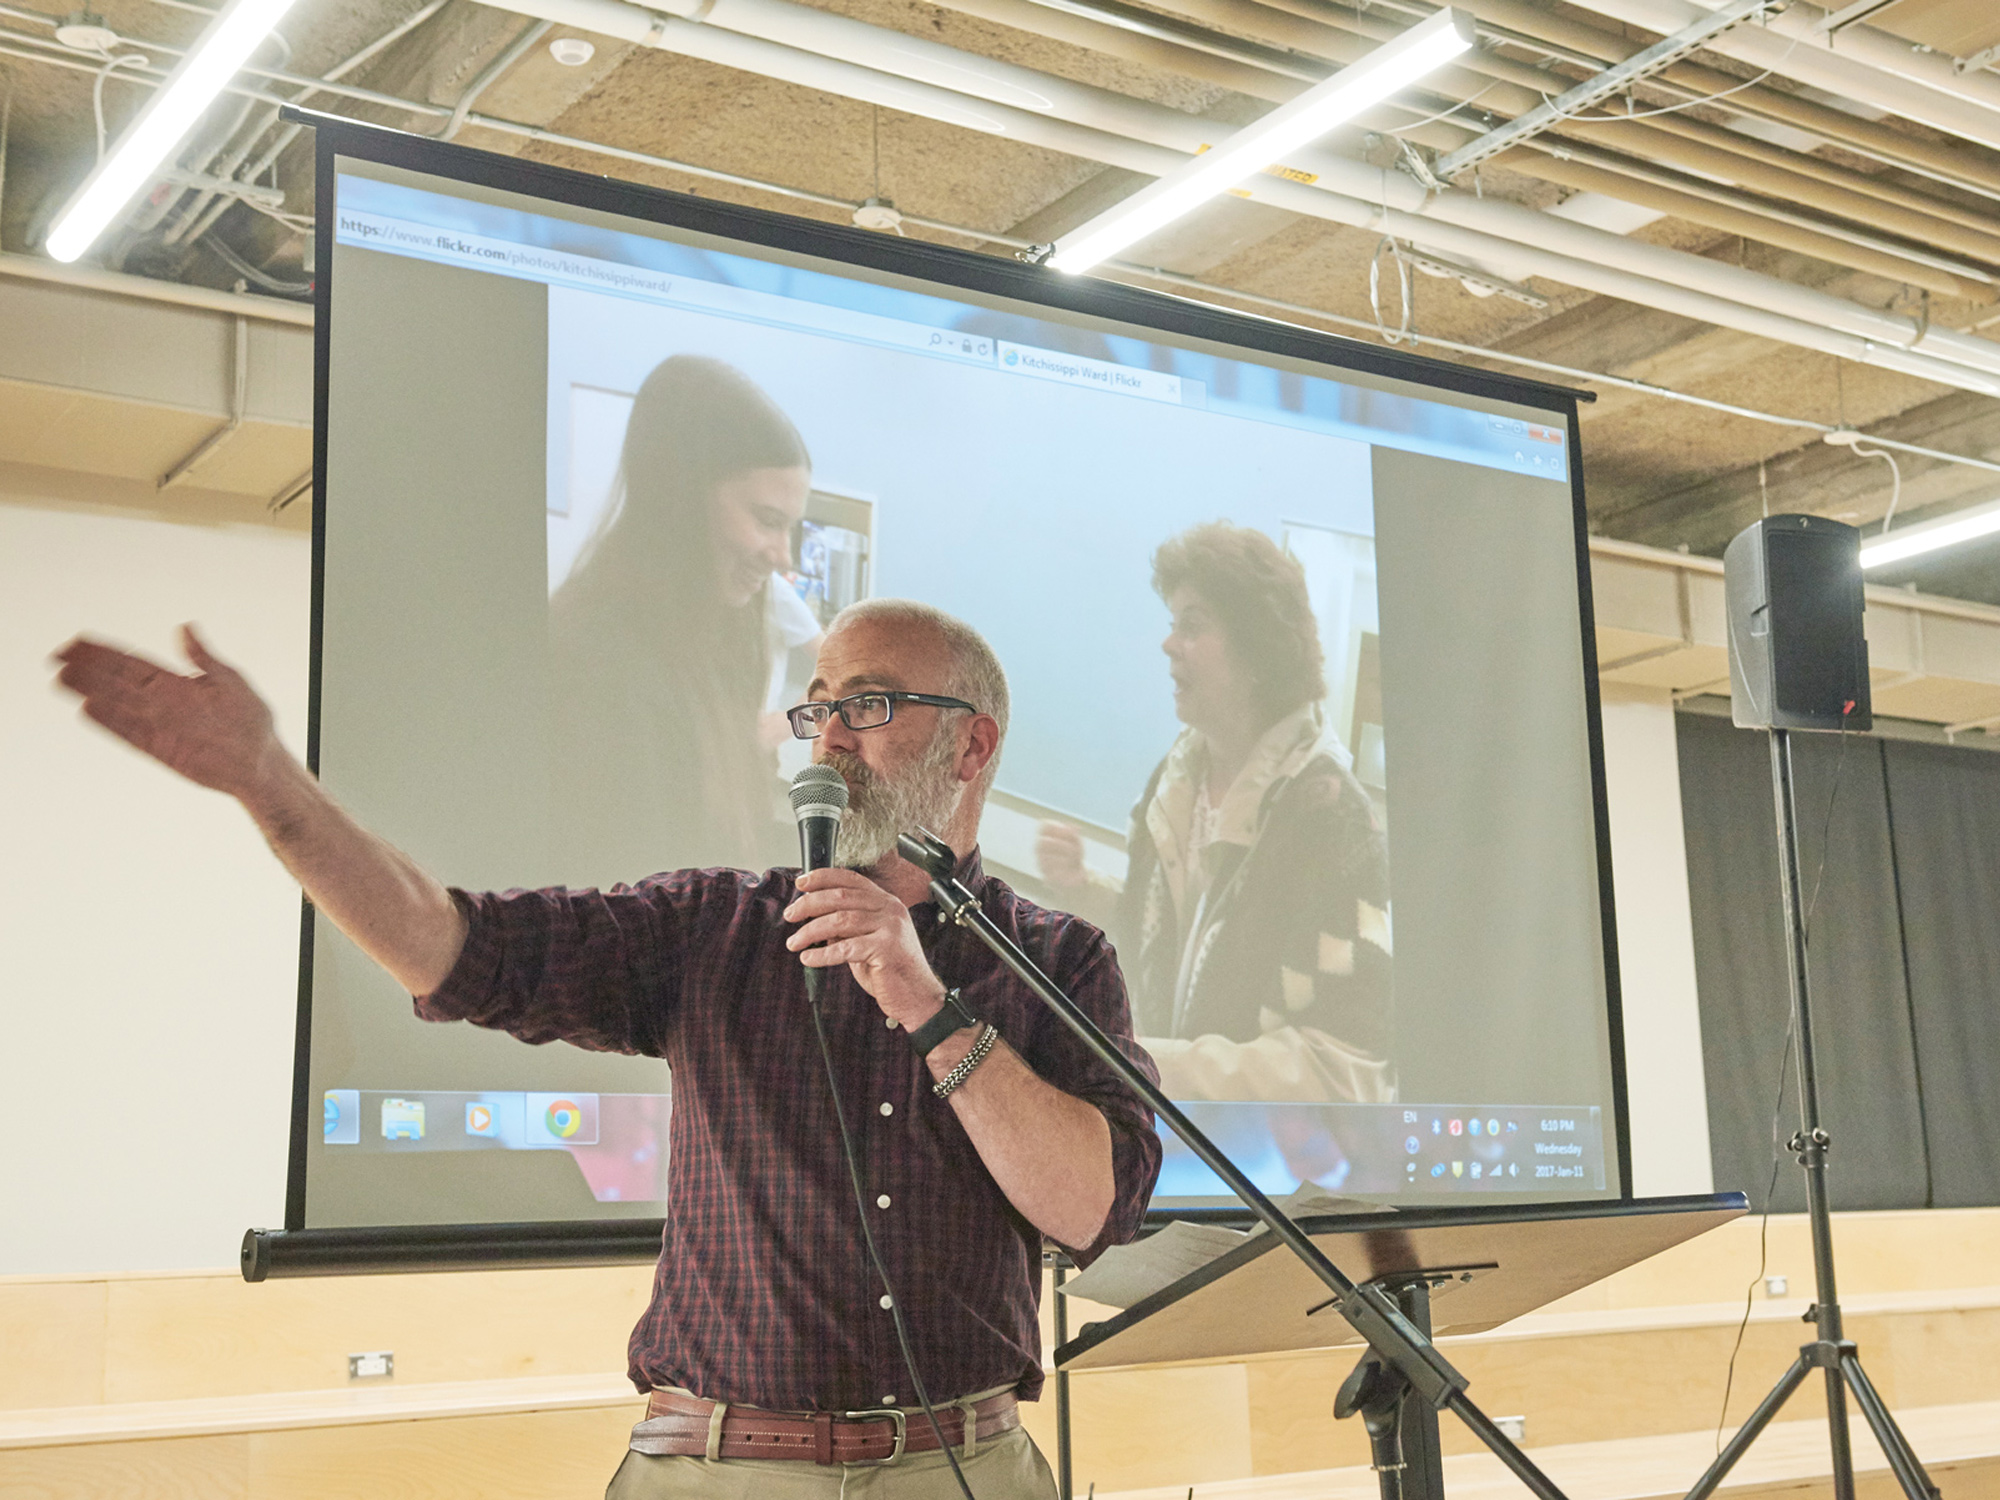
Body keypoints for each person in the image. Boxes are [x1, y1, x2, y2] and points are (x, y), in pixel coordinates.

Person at [53, 597, 1161, 1499]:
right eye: (814, 708)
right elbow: (453, 944)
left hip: (967, 1467)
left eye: (866, 705)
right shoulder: (710, 929)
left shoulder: (1056, 962)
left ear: (973, 742)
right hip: (721, 1472)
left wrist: (927, 1004)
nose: (827, 739)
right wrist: (269, 785)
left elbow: (1088, 1208)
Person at [1036, 522, 1394, 1104]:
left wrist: (1141, 1066)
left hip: (1261, 1184)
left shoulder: (1332, 822)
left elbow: (1346, 1072)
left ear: (1258, 649)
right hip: (1164, 1141)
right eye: (1173, 623)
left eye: (1192, 625)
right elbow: (1171, 945)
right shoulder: (1174, 781)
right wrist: (1086, 892)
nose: (1168, 643)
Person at [550, 355, 812, 879]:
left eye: (791, 530)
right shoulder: (592, 664)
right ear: (681, 498)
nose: (784, 556)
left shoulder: (718, 641)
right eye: (766, 520)